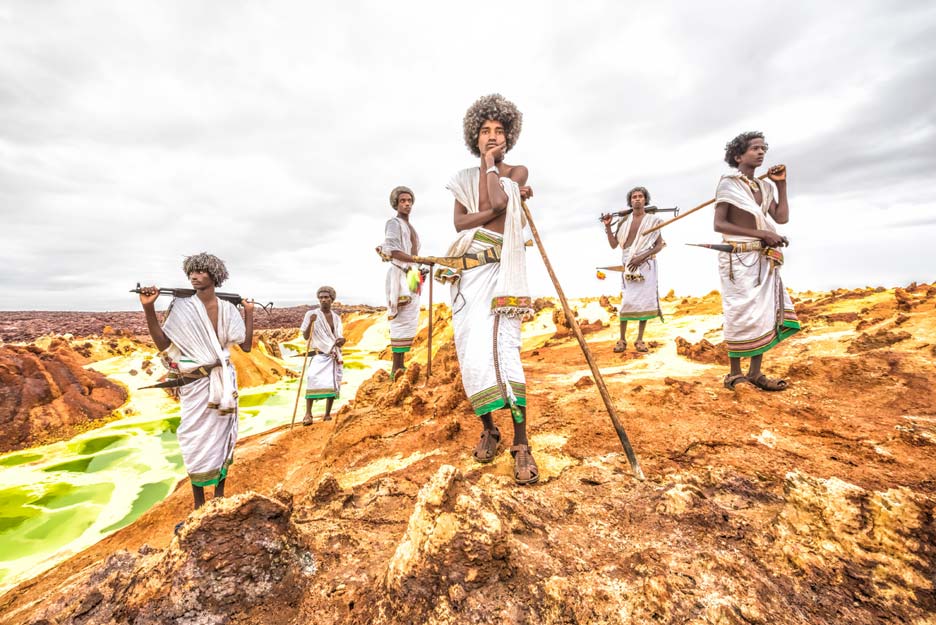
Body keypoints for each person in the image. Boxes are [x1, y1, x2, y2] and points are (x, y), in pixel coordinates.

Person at [438, 93, 538, 484]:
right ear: (474, 137)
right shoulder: (463, 180)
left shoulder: (517, 172)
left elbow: (498, 200)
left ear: (508, 136)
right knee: (472, 354)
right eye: (485, 131)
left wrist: (492, 169)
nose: (492, 136)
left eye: (499, 131)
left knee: (504, 353)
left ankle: (521, 441)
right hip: (467, 277)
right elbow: (461, 225)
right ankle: (489, 428)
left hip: (500, 274)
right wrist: (497, 206)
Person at [138, 252, 254, 510]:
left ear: (214, 276)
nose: (194, 276)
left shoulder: (227, 309)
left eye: (201, 271)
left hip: (223, 382)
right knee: (194, 440)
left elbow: (245, 346)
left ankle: (220, 497)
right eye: (191, 271)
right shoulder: (183, 307)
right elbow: (165, 345)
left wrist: (248, 313)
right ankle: (199, 503)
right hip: (196, 386)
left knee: (223, 439)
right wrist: (148, 308)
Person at [713, 131, 800, 391]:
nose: (761, 152)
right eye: (754, 149)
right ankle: (734, 374)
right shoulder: (728, 184)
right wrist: (762, 233)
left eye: (763, 148)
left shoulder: (764, 186)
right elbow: (719, 224)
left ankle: (755, 372)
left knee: (762, 313)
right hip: (736, 257)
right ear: (738, 155)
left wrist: (781, 184)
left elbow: (781, 218)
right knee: (740, 311)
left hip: (761, 257)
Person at [600, 186, 666, 353]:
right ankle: (622, 339)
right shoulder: (624, 221)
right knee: (626, 301)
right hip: (628, 263)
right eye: (634, 197)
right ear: (630, 201)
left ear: (645, 200)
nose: (637, 199)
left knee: (644, 302)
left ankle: (639, 340)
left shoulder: (652, 221)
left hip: (646, 265)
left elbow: (659, 245)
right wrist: (608, 226)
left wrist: (641, 257)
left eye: (640, 196)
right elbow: (614, 245)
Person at [377, 185, 423, 381]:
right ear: (396, 203)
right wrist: (418, 261)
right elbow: (392, 249)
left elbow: (414, 253)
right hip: (400, 272)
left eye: (409, 201)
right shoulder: (394, 223)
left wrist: (419, 270)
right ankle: (396, 367)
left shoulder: (411, 227)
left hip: (412, 273)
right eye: (403, 201)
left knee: (411, 316)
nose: (407, 204)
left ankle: (402, 362)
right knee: (400, 317)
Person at [300, 286, 345, 424]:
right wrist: (311, 322)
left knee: (331, 383)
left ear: (332, 299)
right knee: (312, 379)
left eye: (326, 297)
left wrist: (341, 341)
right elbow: (306, 336)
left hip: (332, 355)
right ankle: (308, 414)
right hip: (318, 355)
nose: (323, 300)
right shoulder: (311, 314)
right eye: (321, 297)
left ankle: (327, 414)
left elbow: (339, 338)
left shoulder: (336, 318)